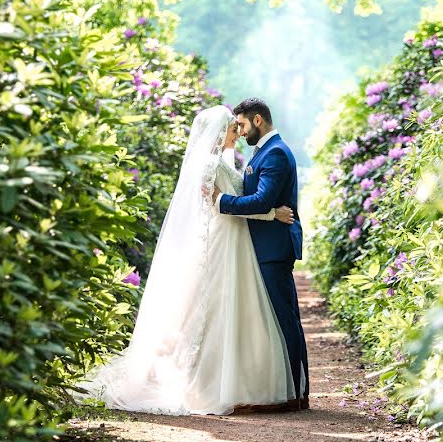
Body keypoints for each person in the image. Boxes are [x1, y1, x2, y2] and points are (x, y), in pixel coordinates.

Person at [77, 105, 296, 415]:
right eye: (234, 128)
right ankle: (212, 384)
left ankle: (240, 383)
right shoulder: (209, 164)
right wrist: (271, 213)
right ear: (221, 133)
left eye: (239, 127)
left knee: (236, 308)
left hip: (236, 240)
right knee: (220, 308)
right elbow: (218, 205)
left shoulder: (223, 161)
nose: (238, 132)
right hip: (225, 238)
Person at [214, 97, 309, 410]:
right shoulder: (264, 151)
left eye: (241, 124)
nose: (239, 132)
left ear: (257, 120)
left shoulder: (276, 153)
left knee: (284, 319)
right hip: (265, 244)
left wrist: (221, 203)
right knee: (280, 318)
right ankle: (290, 390)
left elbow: (261, 199)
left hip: (273, 247)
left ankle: (295, 394)